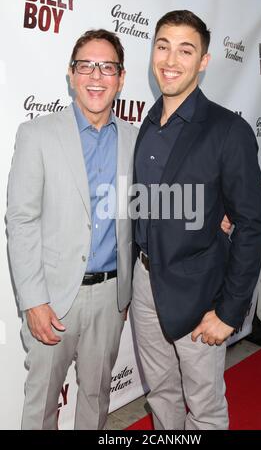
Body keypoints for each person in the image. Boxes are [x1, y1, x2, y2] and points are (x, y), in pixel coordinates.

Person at [131, 10, 261, 430]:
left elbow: (251, 225)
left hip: (199, 293)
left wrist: (228, 312)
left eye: (185, 50)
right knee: (161, 393)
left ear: (204, 61)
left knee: (205, 408)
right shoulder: (148, 124)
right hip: (143, 282)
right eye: (162, 46)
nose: (170, 60)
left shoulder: (229, 130)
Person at [6, 29, 138, 430]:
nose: (96, 76)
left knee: (96, 401)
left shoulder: (136, 140)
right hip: (53, 298)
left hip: (111, 299)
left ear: (121, 77)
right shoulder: (37, 135)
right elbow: (21, 220)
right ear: (71, 74)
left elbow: (153, 207)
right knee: (41, 404)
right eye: (86, 66)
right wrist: (33, 301)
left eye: (107, 67)